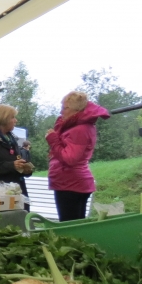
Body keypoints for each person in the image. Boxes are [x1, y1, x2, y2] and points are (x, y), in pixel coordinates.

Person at [46, 91, 110, 222]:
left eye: (65, 108)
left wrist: (53, 140)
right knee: (75, 224)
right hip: (71, 182)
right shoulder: (77, 126)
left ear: (77, 110)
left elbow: (69, 159)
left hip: (71, 184)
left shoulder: (80, 129)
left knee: (69, 227)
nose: (61, 111)